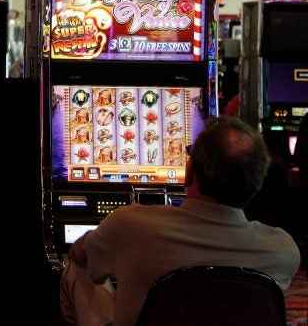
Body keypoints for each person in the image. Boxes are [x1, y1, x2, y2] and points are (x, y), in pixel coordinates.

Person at [60, 115, 301, 326]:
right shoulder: (283, 250)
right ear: (257, 183)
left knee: (77, 268)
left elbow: (81, 254)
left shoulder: (129, 225)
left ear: (189, 170)